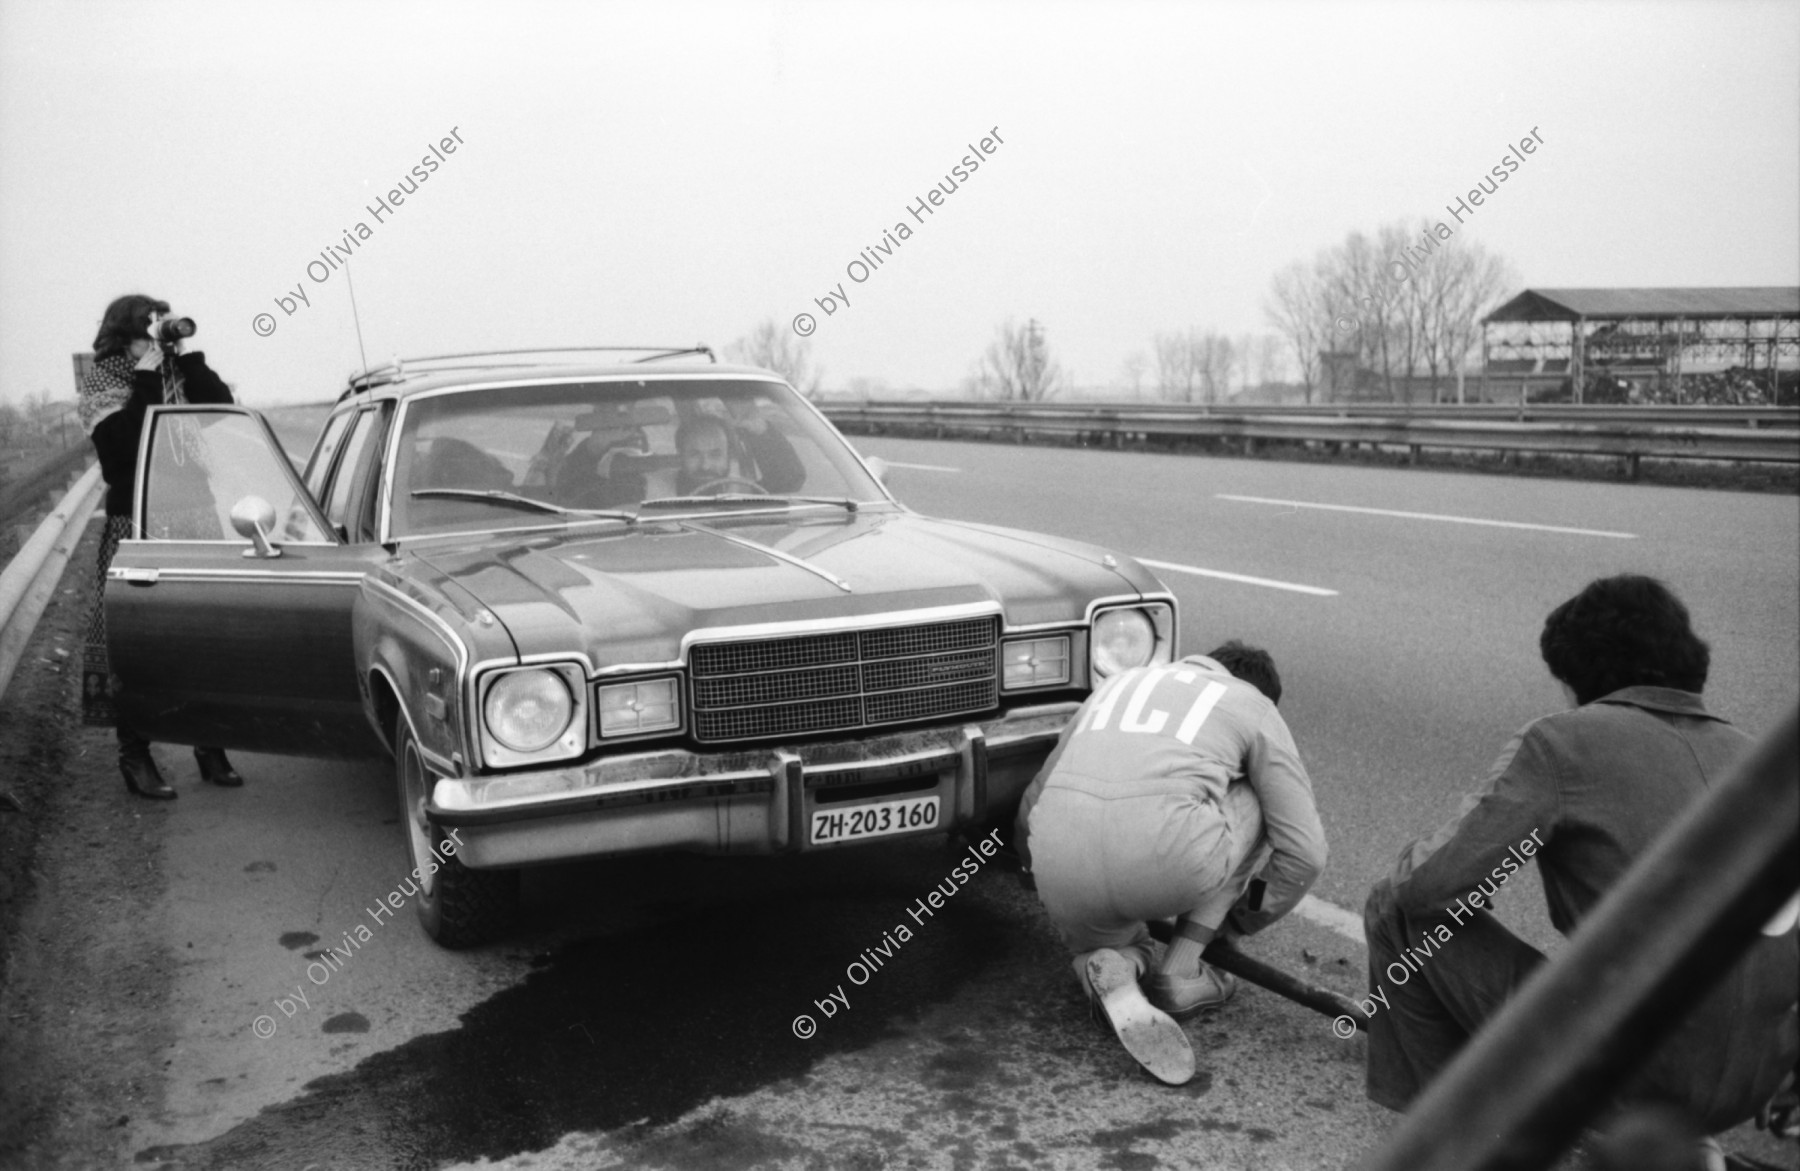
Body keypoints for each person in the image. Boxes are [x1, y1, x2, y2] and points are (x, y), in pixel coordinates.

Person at [1361, 574, 1798, 1145]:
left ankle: (1446, 1139)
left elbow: (1423, 888)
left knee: (1396, 911)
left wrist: (1463, 881)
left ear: (1580, 678)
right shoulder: (1758, 757)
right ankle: (1686, 1138)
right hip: (1758, 1075)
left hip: (1632, 1076)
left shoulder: (1563, 742)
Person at [1014, 641, 1328, 1085]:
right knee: (1263, 796)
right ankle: (1182, 969)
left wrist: (1036, 874)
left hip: (1059, 860)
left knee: (1113, 944)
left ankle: (1114, 968)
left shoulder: (1116, 685)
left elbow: (1034, 799)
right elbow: (1304, 852)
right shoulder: (1251, 705)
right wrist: (1238, 922)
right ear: (1259, 691)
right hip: (1170, 858)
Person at [79, 294, 246, 800]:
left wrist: (186, 359)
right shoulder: (104, 380)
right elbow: (120, 448)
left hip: (195, 510)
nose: (160, 331)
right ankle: (136, 754)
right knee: (136, 642)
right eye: (151, 324)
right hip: (139, 518)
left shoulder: (174, 370)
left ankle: (208, 744)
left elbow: (223, 408)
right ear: (128, 330)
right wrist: (148, 379)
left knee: (204, 633)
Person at [670, 406, 804, 497]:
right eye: (694, 454)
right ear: (680, 456)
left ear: (729, 456)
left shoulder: (745, 493)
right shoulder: (656, 494)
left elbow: (791, 479)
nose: (705, 465)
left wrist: (763, 431)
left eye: (715, 455)